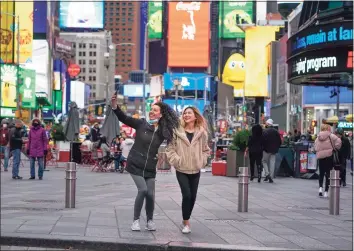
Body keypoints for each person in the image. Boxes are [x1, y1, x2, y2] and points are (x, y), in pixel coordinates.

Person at [111, 93, 179, 232]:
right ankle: (135, 221)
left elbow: (177, 138)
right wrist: (115, 106)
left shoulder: (163, 131)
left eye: (155, 110)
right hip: (135, 163)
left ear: (161, 114)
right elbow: (124, 118)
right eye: (151, 109)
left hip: (150, 166)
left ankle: (150, 221)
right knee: (142, 190)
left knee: (150, 194)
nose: (151, 112)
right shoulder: (141, 123)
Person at [166, 107, 210, 234]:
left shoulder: (202, 133)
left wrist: (202, 161)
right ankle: (186, 222)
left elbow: (206, 150)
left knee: (193, 197)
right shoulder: (176, 132)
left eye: (189, 113)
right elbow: (170, 149)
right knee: (187, 195)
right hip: (181, 168)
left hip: (196, 169)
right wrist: (177, 160)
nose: (186, 115)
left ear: (195, 116)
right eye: (184, 113)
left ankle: (185, 218)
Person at [314, 124, 341, 198]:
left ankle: (320, 188)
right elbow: (338, 141)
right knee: (328, 174)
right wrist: (335, 148)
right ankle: (326, 192)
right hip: (329, 156)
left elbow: (315, 147)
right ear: (328, 129)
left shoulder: (318, 137)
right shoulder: (331, 135)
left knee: (321, 173)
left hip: (321, 156)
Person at [261, 119, 282, 183]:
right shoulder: (276, 132)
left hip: (266, 150)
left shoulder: (265, 131)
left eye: (266, 123)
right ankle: (271, 176)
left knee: (264, 161)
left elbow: (262, 140)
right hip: (274, 150)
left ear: (268, 124)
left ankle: (267, 174)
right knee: (272, 162)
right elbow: (279, 141)